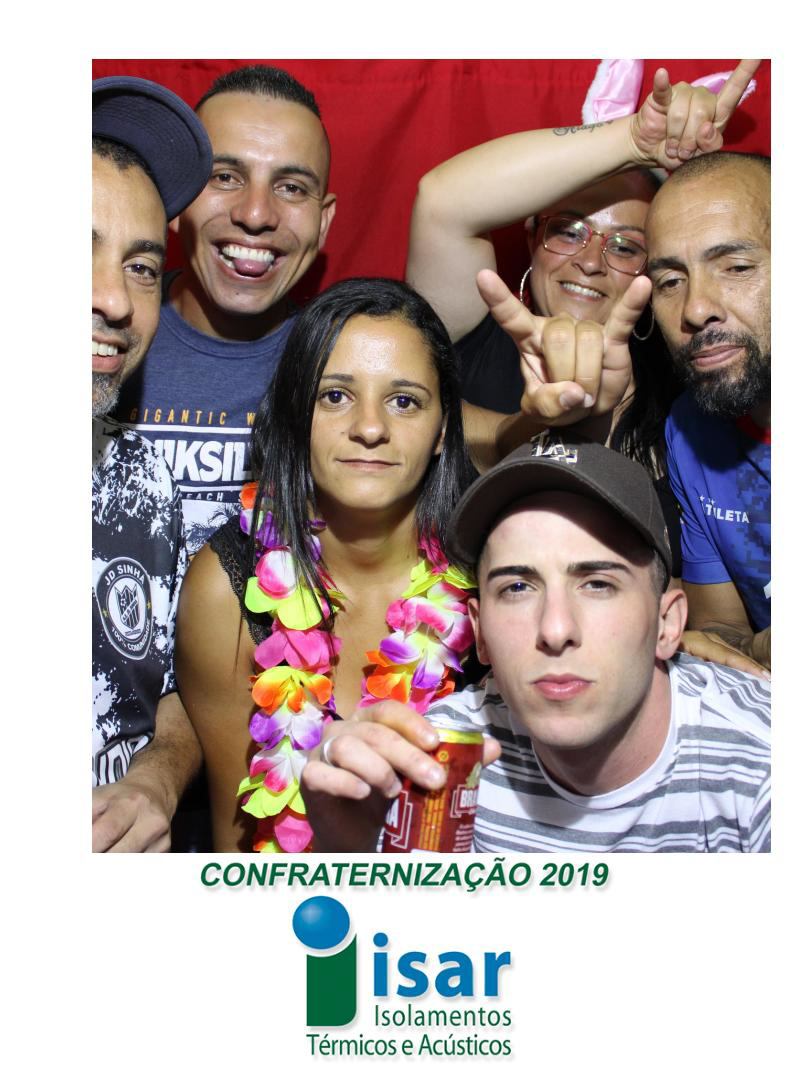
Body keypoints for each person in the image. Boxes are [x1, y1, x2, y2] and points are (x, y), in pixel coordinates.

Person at [300, 435, 770, 853]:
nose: (555, 629)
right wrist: (348, 852)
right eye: (518, 588)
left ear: (667, 624)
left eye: (597, 584)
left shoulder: (762, 759)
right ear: (480, 633)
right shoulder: (445, 758)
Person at [407, 59, 760, 580]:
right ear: (531, 236)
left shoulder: (695, 370)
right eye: (568, 231)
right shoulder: (473, 329)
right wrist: (634, 140)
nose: (591, 262)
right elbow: (442, 200)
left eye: (626, 246)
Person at [175, 277, 492, 853]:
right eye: (335, 396)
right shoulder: (226, 590)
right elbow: (236, 852)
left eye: (404, 401)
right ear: (296, 415)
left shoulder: (491, 588)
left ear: (442, 430)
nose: (369, 428)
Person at [114, 64, 338, 552]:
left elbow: (462, 430)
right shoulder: (106, 323)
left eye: (291, 187)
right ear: (173, 200)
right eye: (225, 176)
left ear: (323, 223)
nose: (255, 214)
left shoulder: (341, 356)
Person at [92, 76, 212, 851]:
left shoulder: (145, 479)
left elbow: (177, 693)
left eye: (140, 266)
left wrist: (157, 780)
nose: (114, 300)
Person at [646, 152, 770, 673]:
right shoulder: (691, 429)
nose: (696, 309)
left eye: (736, 267)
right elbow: (723, 632)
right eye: (670, 282)